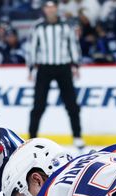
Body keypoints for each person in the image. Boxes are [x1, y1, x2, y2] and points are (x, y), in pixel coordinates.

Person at [27, 1, 84, 150]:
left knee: (72, 104)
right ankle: (32, 137)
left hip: (63, 67)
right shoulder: (38, 27)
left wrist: (76, 65)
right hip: (44, 68)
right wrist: (31, 69)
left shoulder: (66, 26)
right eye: (48, 7)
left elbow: (73, 45)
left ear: (56, 8)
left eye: (53, 7)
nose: (50, 10)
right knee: (38, 105)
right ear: (44, 9)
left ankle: (77, 136)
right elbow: (32, 48)